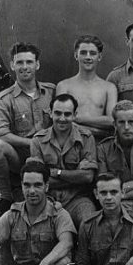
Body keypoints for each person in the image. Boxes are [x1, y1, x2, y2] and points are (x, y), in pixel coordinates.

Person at [0, 42, 55, 221]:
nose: (25, 67)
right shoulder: (5, 98)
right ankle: (5, 198)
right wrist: (31, 142)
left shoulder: (51, 92)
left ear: (37, 64)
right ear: (12, 65)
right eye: (20, 62)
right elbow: (0, 133)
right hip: (21, 158)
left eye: (29, 62)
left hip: (49, 156)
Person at [28, 93, 97, 228]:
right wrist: (74, 177)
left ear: (75, 115)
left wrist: (56, 173)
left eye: (67, 114)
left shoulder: (86, 138)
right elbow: (38, 180)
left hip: (78, 199)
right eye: (58, 113)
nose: (62, 118)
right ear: (50, 113)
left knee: (89, 221)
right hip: (47, 199)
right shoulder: (38, 140)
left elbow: (88, 177)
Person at [56, 35, 117, 139]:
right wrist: (96, 130)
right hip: (72, 144)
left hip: (101, 145)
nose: (88, 57)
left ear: (99, 56)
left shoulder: (109, 88)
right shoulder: (64, 86)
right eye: (83, 53)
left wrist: (78, 119)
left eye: (92, 53)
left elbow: (112, 121)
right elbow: (62, 120)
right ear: (76, 55)